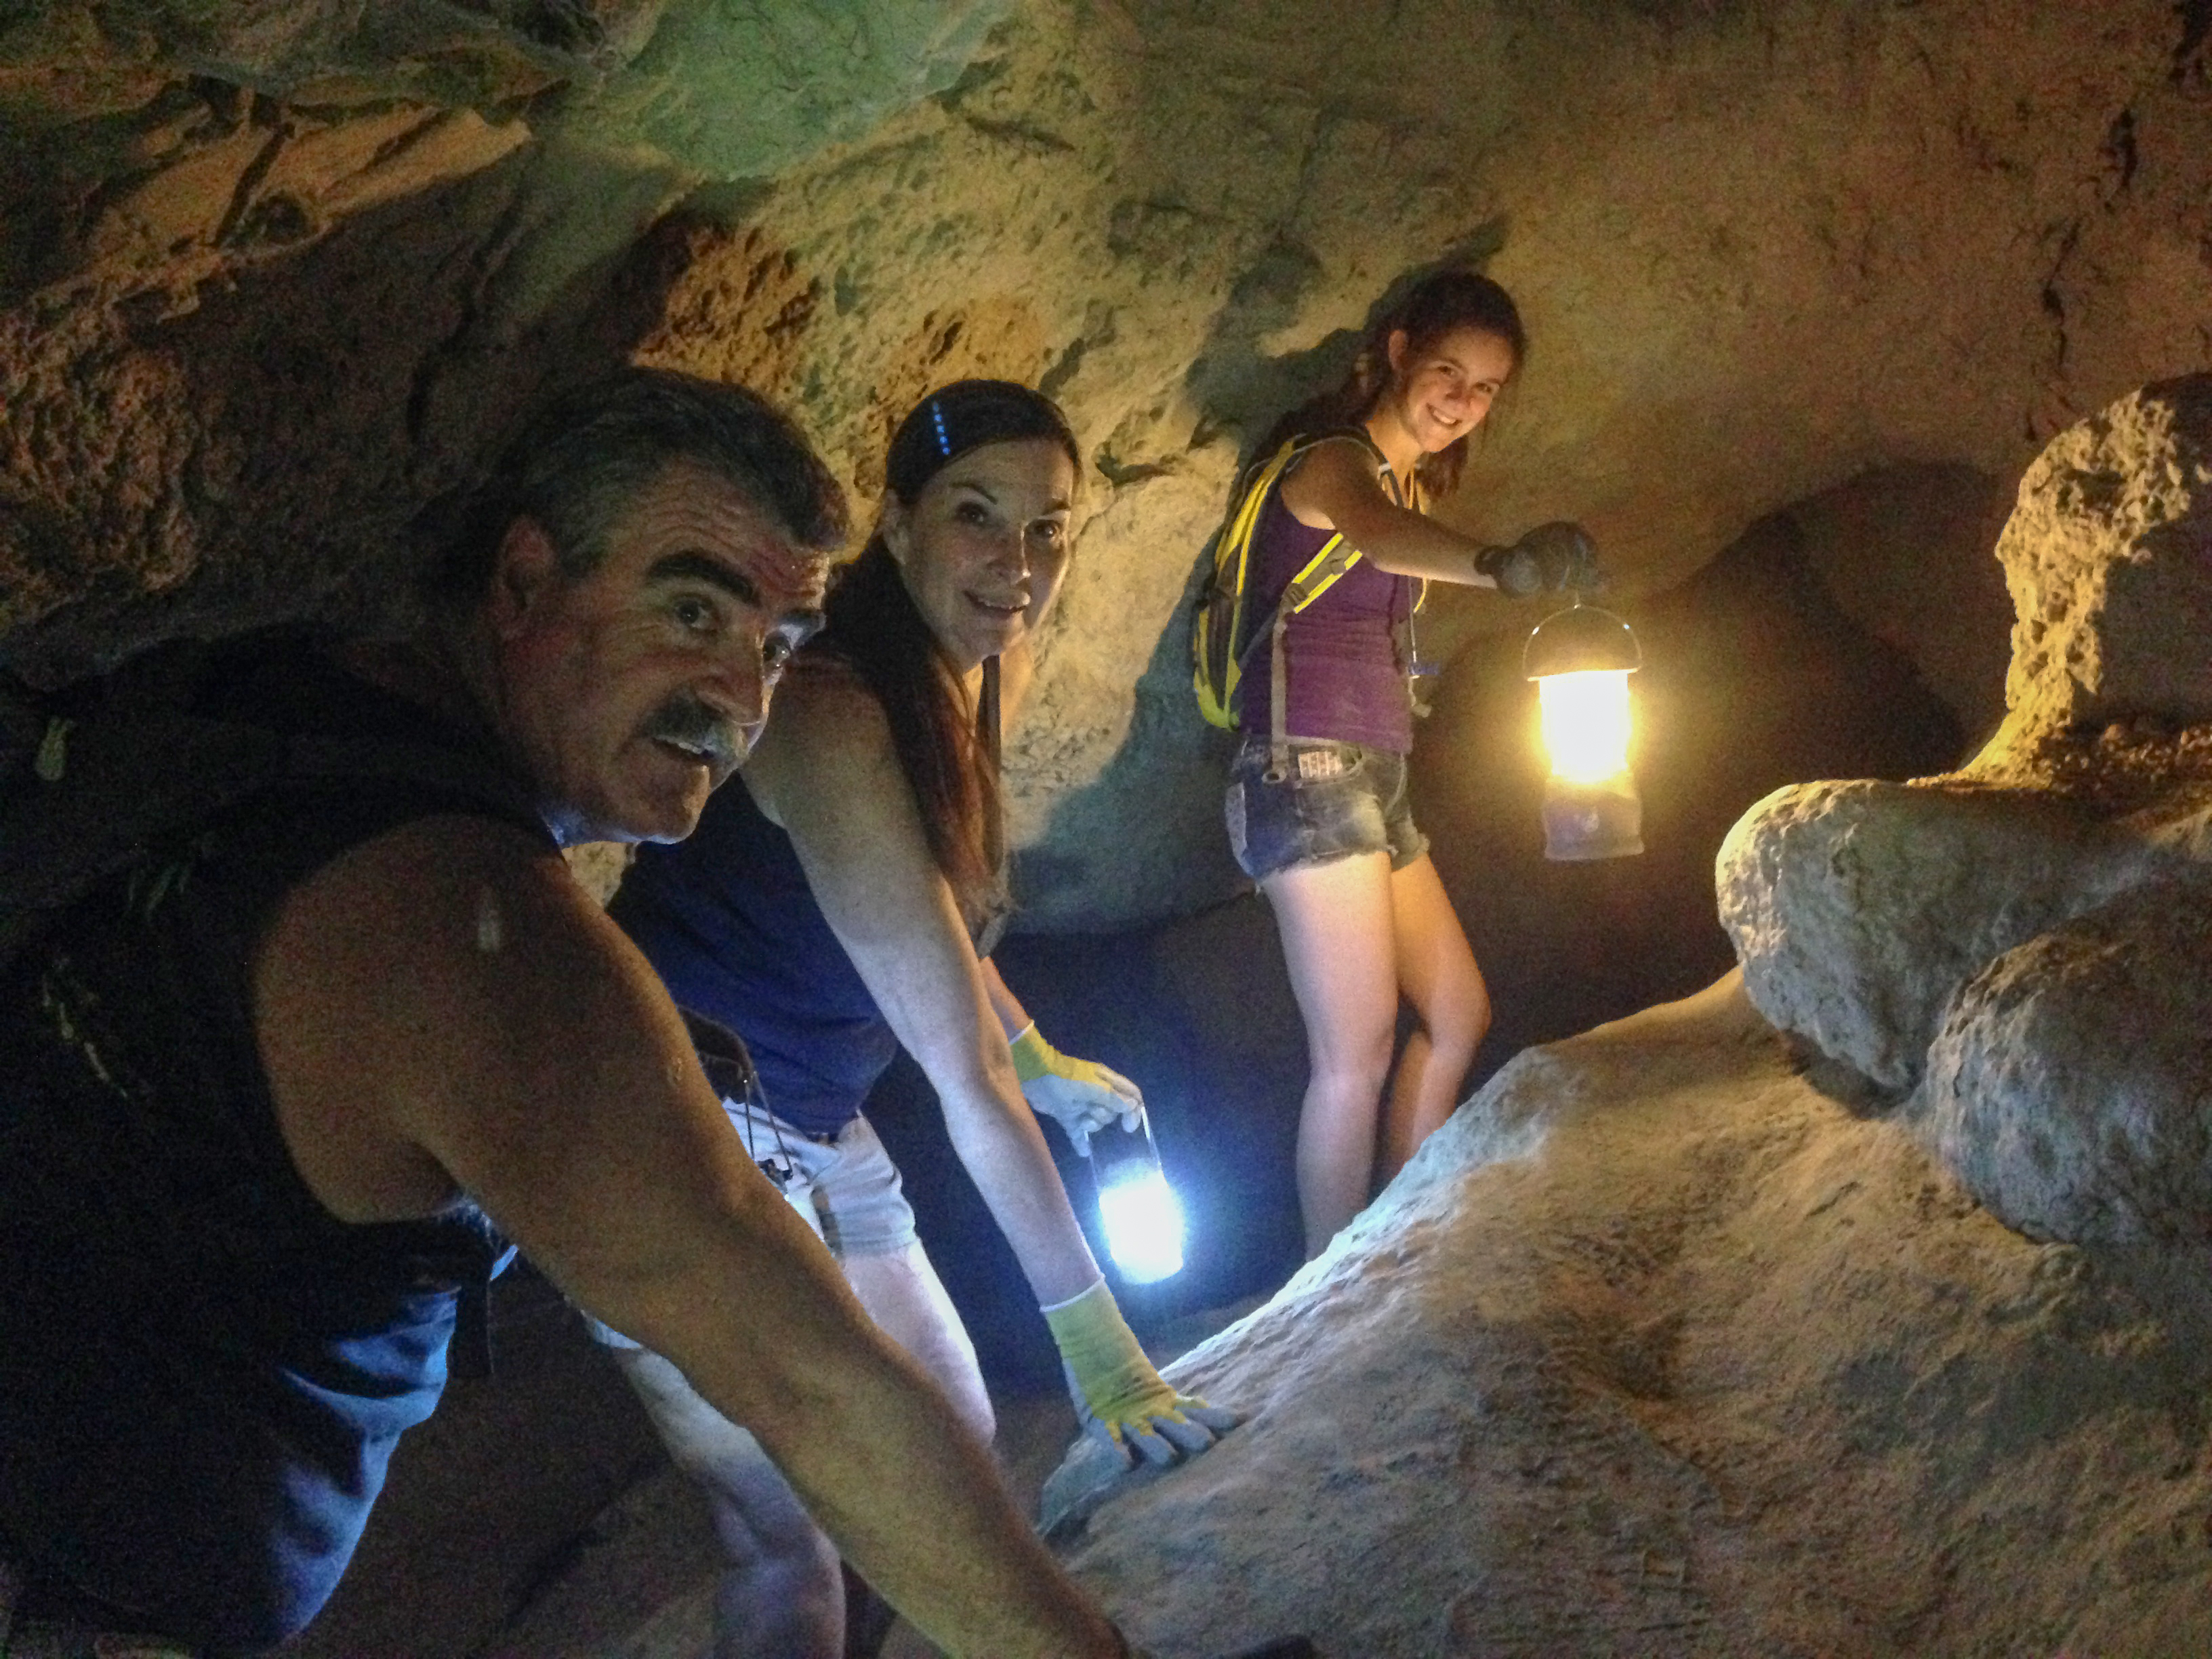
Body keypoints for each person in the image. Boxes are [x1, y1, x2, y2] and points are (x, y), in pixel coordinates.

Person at [0, 368, 1132, 1659]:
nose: (736, 701)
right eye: (690, 606)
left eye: (772, 647)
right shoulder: (477, 939)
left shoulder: (289, 709)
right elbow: (812, 1384)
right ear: (522, 582)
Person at [603, 380, 1240, 1659]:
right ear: (896, 529)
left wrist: (1038, 1048)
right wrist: (1101, 1351)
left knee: (946, 1453)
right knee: (789, 1524)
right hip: (668, 1124)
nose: (1020, 563)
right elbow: (962, 1081)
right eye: (978, 516)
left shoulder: (950, 681)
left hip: (813, 1119)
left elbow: (936, 945)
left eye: (1051, 527)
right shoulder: (836, 712)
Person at [1224, 270, 1596, 1257]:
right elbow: (1380, 540)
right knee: (1355, 1051)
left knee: (1460, 1010)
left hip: (1374, 779)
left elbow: (1394, 529)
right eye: (1446, 371)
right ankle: (1327, 1281)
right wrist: (1501, 565)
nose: (1461, 403)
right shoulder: (1330, 464)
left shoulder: (1405, 479)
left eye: (1485, 389)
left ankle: (1392, 1240)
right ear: (1396, 353)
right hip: (1302, 772)